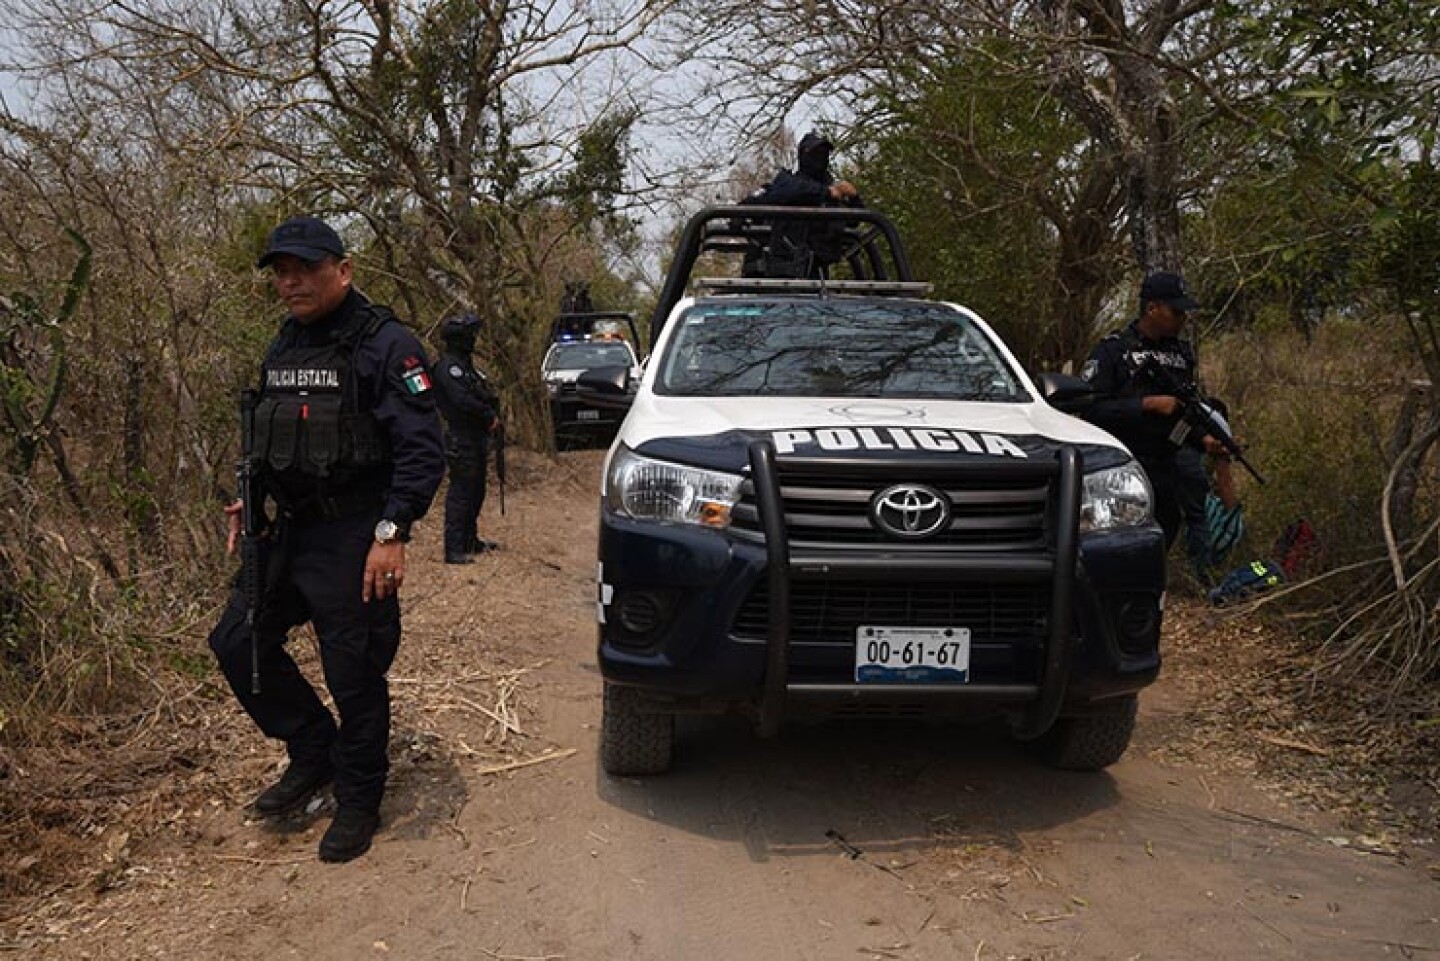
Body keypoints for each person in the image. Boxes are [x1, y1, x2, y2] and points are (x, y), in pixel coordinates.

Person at [208, 215, 445, 862]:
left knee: (354, 672)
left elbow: (423, 450)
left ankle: (361, 796)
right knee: (236, 638)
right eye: (281, 271)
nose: (291, 282)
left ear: (343, 270)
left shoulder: (386, 344)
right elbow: (276, 437)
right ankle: (314, 750)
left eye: (306, 268)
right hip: (291, 530)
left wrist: (392, 531)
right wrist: (250, 499)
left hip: (356, 533)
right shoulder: (285, 342)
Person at [1081, 271, 1227, 575]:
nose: (1182, 319)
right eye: (1176, 311)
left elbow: (1184, 412)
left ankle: (1149, 583)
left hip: (1165, 460)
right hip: (1121, 463)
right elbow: (1091, 409)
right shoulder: (1113, 351)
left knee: (1169, 520)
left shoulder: (1179, 355)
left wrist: (1204, 439)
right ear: (1152, 308)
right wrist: (1146, 405)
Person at [738, 131, 864, 278]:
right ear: (802, 155)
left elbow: (855, 220)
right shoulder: (785, 186)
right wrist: (826, 192)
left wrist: (854, 198)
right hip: (775, 280)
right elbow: (777, 192)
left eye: (824, 152)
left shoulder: (832, 200)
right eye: (814, 152)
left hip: (817, 283)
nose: (820, 157)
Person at [433, 313, 502, 564]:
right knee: (461, 492)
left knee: (476, 490)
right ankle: (453, 548)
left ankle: (470, 541)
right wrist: (487, 415)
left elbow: (481, 393)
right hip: (460, 437)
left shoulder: (466, 366)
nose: (473, 340)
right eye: (469, 336)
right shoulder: (448, 368)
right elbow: (461, 401)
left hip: (475, 436)